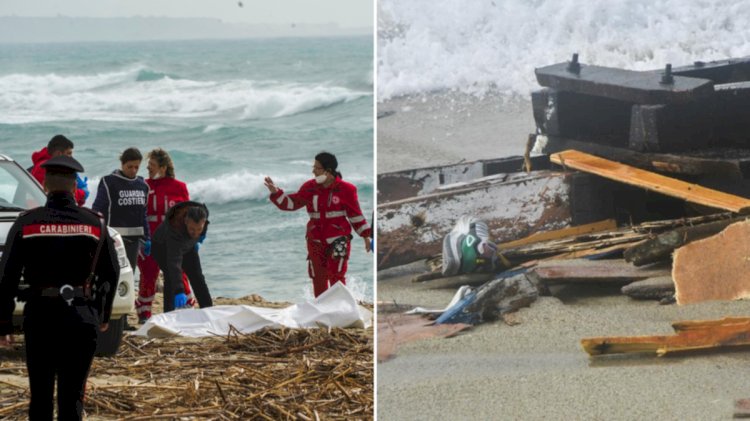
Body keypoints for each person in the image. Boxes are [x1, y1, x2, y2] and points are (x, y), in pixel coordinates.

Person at [0, 155, 119, 420]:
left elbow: (7, 276)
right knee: (72, 398)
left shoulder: (27, 223)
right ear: (74, 186)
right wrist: (103, 314)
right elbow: (110, 273)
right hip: (81, 316)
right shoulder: (95, 223)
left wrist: (4, 323)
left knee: (40, 397)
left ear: (44, 185)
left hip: (40, 315)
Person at [264, 151, 372, 297]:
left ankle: (341, 309)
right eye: (313, 167)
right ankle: (322, 310)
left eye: (317, 168)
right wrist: (276, 193)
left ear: (328, 171)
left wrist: (366, 236)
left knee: (337, 276)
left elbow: (355, 215)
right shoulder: (309, 187)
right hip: (315, 240)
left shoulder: (347, 189)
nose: (313, 171)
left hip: (339, 239)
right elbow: (292, 204)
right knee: (318, 277)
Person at [135, 148, 197, 322]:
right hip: (149, 239)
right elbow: (137, 213)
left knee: (179, 273)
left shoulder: (179, 187)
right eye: (148, 166)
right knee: (148, 275)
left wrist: (192, 239)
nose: (148, 169)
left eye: (152, 165)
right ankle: (144, 313)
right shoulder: (143, 186)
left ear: (163, 168)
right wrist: (141, 238)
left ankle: (186, 309)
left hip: (174, 241)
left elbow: (188, 215)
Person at [92, 147, 150, 271]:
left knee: (129, 273)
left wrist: (147, 237)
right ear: (122, 164)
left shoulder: (143, 185)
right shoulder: (109, 182)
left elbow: (143, 214)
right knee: (112, 274)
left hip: (134, 242)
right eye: (130, 166)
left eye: (136, 167)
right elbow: (97, 209)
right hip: (114, 239)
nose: (133, 170)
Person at [151, 201, 213, 312]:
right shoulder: (175, 229)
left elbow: (202, 226)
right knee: (171, 277)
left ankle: (208, 310)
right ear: (185, 221)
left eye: (199, 229)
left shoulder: (202, 214)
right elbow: (174, 263)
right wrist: (179, 291)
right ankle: (169, 315)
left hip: (187, 246)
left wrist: (201, 235)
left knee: (197, 276)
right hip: (162, 247)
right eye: (192, 229)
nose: (195, 233)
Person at [30, 134, 89, 206]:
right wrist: (83, 193)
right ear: (59, 153)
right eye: (69, 153)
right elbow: (61, 194)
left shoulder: (42, 164)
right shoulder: (47, 167)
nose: (71, 157)